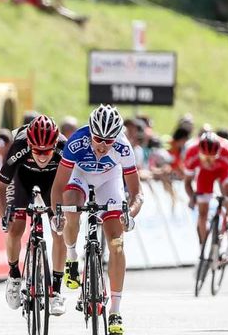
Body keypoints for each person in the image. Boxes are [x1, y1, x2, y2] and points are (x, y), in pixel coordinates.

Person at [51, 104, 143, 335]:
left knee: (117, 245)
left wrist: (129, 214)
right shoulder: (76, 142)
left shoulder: (123, 147)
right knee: (71, 205)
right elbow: (58, 186)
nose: (103, 145)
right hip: (79, 176)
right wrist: (56, 214)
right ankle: (72, 257)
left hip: (109, 182)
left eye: (109, 141)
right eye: (98, 138)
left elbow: (137, 192)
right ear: (90, 132)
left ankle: (115, 310)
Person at [0, 115, 68, 316]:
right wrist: (4, 216)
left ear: (55, 144)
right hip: (22, 180)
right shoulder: (19, 145)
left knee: (59, 230)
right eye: (37, 151)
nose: (43, 156)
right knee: (15, 227)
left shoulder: (64, 147)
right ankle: (14, 275)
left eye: (47, 151)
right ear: (29, 144)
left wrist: (63, 212)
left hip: (53, 183)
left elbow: (72, 184)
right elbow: (0, 187)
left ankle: (56, 291)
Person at [183, 132, 228, 259]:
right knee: (203, 213)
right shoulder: (191, 153)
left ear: (218, 153)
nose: (209, 162)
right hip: (205, 175)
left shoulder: (227, 152)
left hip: (223, 171)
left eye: (212, 158)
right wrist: (192, 197)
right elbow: (187, 182)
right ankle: (203, 248)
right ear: (199, 152)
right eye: (205, 158)